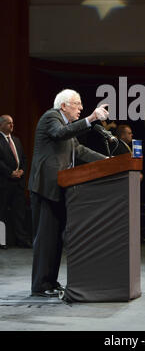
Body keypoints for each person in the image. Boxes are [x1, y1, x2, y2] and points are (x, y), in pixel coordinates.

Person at [29, 89, 109, 297]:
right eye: (77, 104)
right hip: (45, 189)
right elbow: (59, 134)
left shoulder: (66, 127)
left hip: (60, 188)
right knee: (45, 239)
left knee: (55, 239)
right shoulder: (51, 118)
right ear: (63, 106)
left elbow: (80, 151)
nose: (81, 108)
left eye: (81, 105)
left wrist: (108, 162)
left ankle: (51, 282)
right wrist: (91, 119)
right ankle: (40, 285)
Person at [0, 115, 31, 249]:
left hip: (18, 183)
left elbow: (23, 158)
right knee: (1, 213)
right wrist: (10, 172)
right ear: (1, 125)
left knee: (19, 213)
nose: (12, 125)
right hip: (4, 182)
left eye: (12, 123)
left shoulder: (16, 140)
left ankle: (21, 240)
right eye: (9, 123)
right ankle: (1, 241)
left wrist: (22, 171)